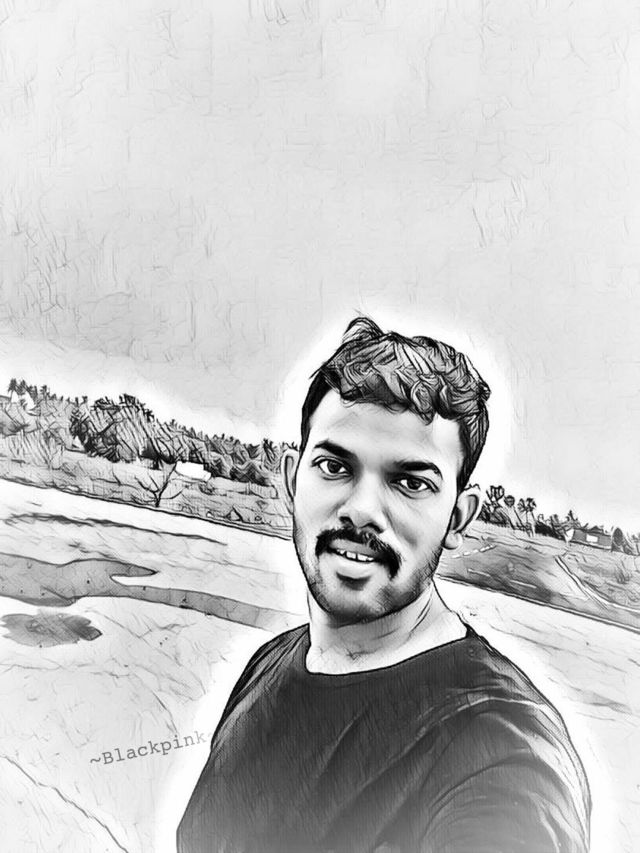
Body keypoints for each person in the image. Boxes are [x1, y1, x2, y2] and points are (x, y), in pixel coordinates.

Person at [177, 316, 591, 853]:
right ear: (291, 480)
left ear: (458, 519)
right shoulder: (269, 665)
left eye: (410, 482)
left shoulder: (503, 753)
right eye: (334, 466)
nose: (362, 509)